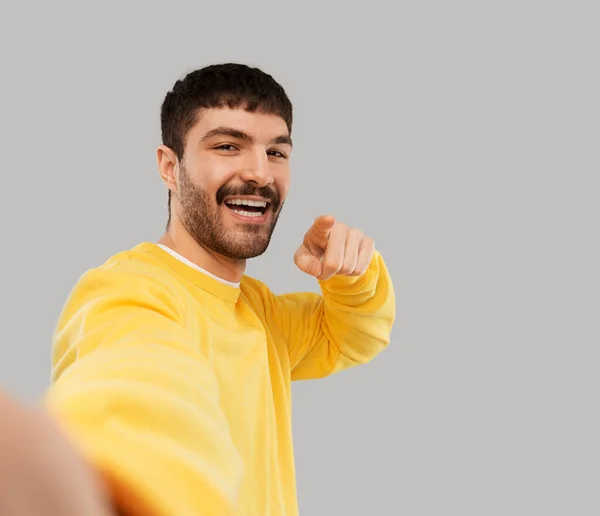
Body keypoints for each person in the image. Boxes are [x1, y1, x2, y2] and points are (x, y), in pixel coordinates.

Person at [1, 63, 395, 515]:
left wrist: (351, 275)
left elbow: (352, 336)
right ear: (170, 167)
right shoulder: (128, 292)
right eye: (229, 146)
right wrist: (116, 488)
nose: (260, 174)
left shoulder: (262, 312)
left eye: (277, 152)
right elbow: (139, 393)